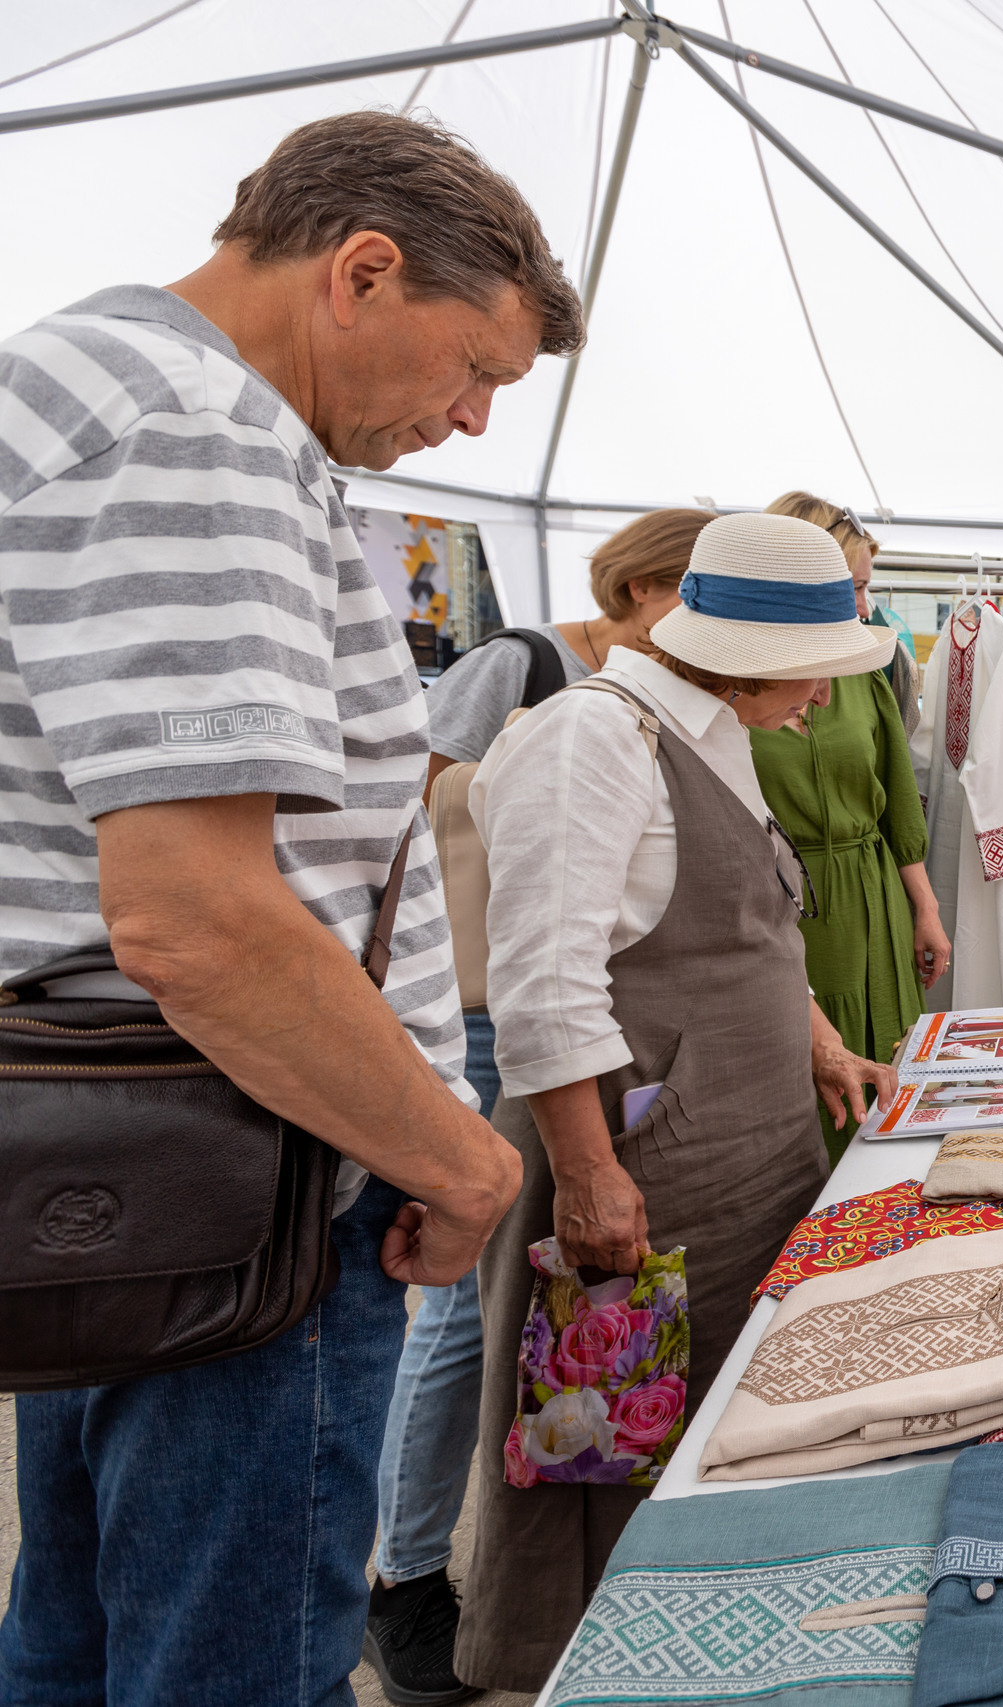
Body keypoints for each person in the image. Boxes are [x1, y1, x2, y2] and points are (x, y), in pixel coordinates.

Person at [0, 111, 573, 1706]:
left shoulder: (73, 386)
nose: (466, 422)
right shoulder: (196, 429)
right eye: (476, 369)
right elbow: (197, 916)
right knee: (230, 1662)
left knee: (83, 1636)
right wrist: (458, 1159)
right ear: (362, 272)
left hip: (116, 1155)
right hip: (243, 1175)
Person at [455, 511, 904, 1690]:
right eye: (816, 674)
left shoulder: (711, 731)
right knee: (618, 1437)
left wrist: (817, 1045)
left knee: (718, 1418)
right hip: (650, 1166)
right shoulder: (591, 739)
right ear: (749, 653)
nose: (822, 703)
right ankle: (609, 1665)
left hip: (745, 1145)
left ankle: (723, 1648)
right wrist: (593, 1176)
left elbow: (744, 923)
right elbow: (544, 983)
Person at [365, 506, 713, 1701]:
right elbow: (393, 822)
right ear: (647, 586)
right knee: (466, 1316)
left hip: (576, 1022)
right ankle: (406, 1579)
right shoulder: (525, 665)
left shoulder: (659, 696)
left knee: (524, 1310)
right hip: (478, 1010)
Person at [753, 490, 950, 1160]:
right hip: (790, 907)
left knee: (895, 1072)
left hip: (876, 900)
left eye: (867, 588)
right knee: (813, 1094)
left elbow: (897, 795)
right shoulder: (736, 681)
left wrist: (924, 905)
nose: (865, 607)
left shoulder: (868, 665)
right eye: (854, 587)